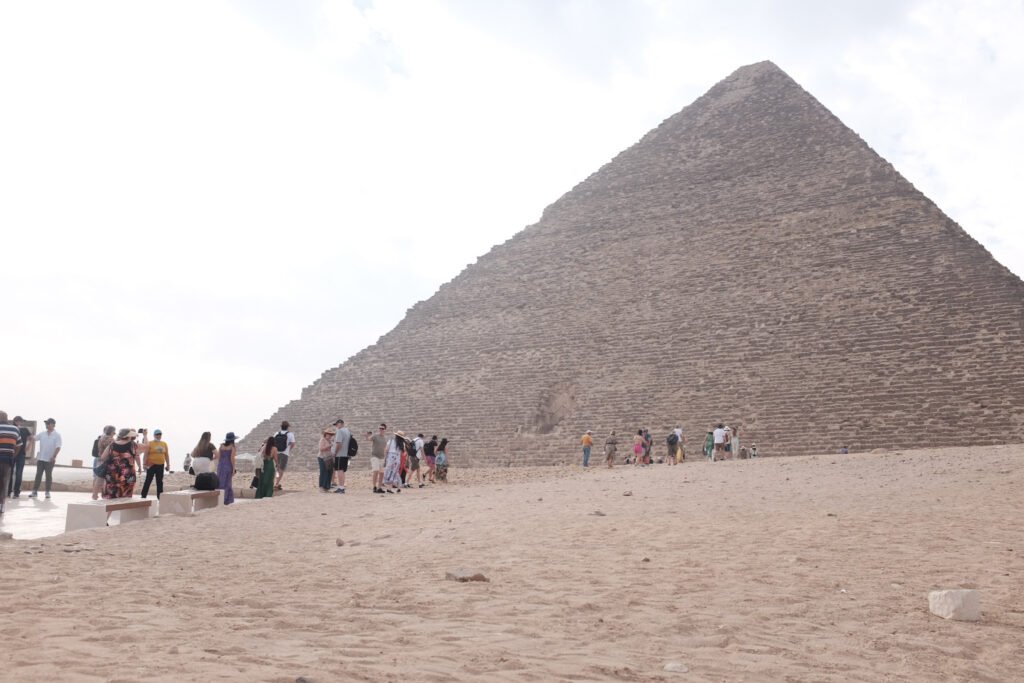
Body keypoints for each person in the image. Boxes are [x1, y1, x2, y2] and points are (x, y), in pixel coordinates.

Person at [99, 428, 138, 499]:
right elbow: (146, 447)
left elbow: (103, 458)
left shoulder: (112, 445)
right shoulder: (133, 445)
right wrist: (145, 436)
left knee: (111, 497)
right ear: (129, 436)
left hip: (112, 474)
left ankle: (109, 510)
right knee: (125, 498)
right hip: (128, 475)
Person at [29, 418, 62, 499]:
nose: (46, 425)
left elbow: (58, 447)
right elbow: (34, 438)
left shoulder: (57, 435)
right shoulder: (42, 434)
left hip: (50, 460)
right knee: (38, 475)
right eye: (46, 423)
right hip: (41, 459)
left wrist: (54, 456)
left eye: (48, 423)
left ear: (53, 425)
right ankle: (34, 491)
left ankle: (47, 492)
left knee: (48, 476)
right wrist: (27, 434)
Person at [0, 411, 23, 515]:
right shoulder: (15, 429)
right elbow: (19, 445)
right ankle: (2, 505)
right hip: (8, 460)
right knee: (4, 482)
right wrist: (13, 456)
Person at [140, 428, 171, 499]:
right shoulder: (150, 443)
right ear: (154, 435)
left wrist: (168, 465)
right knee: (148, 480)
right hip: (151, 464)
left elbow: (166, 455)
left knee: (160, 481)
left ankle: (160, 497)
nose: (158, 436)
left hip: (160, 465)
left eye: (160, 434)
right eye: (157, 434)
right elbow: (146, 454)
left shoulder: (164, 444)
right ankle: (143, 495)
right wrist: (144, 464)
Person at [8, 416, 32, 499]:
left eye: (21, 421)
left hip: (21, 454)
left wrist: (28, 446)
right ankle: (9, 491)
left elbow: (31, 438)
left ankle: (16, 492)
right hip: (12, 453)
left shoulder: (24, 430)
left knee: (18, 473)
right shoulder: (12, 428)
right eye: (19, 421)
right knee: (10, 473)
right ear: (15, 421)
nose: (20, 422)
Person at [215, 432, 238, 504]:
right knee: (227, 483)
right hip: (228, 465)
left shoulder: (221, 446)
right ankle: (226, 500)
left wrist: (220, 465)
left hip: (221, 466)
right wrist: (233, 469)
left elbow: (219, 457)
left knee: (220, 483)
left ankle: (219, 500)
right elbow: (232, 459)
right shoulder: (232, 447)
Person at [273, 421, 295, 491]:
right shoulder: (290, 434)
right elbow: (293, 444)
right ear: (287, 427)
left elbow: (273, 442)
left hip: (276, 453)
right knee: (281, 469)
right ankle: (276, 483)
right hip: (284, 453)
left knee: (277, 468)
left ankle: (275, 482)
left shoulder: (276, 433)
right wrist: (288, 449)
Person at [332, 419, 352, 493]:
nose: (336, 426)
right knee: (342, 470)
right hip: (346, 454)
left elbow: (339, 443)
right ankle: (342, 486)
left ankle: (341, 488)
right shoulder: (348, 431)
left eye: (337, 425)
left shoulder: (340, 431)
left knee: (339, 470)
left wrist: (335, 453)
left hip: (340, 454)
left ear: (340, 424)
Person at [370, 424, 388, 493]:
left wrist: (385, 458)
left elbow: (385, 449)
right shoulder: (375, 436)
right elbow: (369, 439)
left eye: (382, 428)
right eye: (380, 428)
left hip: (382, 457)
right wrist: (367, 436)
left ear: (385, 429)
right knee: (376, 470)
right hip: (375, 456)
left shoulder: (385, 438)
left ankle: (379, 487)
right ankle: (374, 486)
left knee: (382, 473)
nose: (381, 429)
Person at [318, 426, 336, 492]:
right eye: (329, 434)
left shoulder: (330, 440)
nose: (330, 435)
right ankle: (321, 487)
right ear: (325, 434)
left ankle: (326, 487)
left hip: (329, 458)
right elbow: (321, 449)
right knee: (323, 472)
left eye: (331, 434)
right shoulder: (322, 439)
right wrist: (329, 446)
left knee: (329, 472)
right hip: (322, 457)